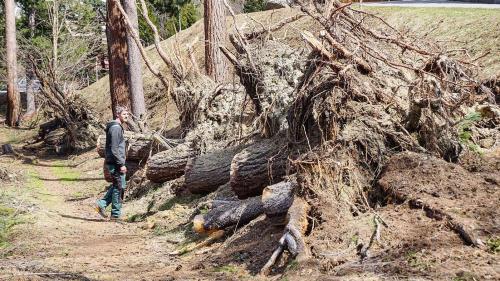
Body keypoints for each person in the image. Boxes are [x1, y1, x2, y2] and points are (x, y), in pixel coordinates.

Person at [96, 106, 129, 220]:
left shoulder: (116, 127)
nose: (126, 116)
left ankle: (101, 204)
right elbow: (114, 148)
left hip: (115, 161)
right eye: (124, 114)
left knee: (119, 186)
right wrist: (121, 164)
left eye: (127, 114)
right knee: (119, 187)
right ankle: (115, 215)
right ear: (118, 115)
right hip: (115, 163)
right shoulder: (115, 128)